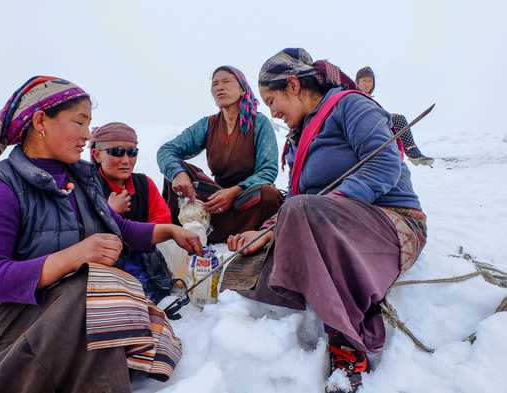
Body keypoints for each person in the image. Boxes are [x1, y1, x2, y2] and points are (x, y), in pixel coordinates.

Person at [0, 76, 202, 393]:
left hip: (77, 306)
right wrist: (75, 256)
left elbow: (119, 229)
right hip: (9, 317)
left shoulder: (80, 180)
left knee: (122, 311)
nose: (87, 135)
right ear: (40, 121)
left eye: (89, 124)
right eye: (79, 122)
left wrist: (169, 230)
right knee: (96, 298)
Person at [226, 49, 427, 392]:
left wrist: (326, 205)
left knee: (302, 211)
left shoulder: (351, 106)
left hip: (390, 222)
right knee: (244, 266)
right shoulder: (298, 139)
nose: (272, 111)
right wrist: (266, 230)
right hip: (325, 219)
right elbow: (294, 201)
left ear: (293, 85)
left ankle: (347, 342)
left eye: (272, 99)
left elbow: (384, 166)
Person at [157, 66, 283, 243]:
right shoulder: (208, 124)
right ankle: (182, 235)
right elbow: (166, 150)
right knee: (176, 172)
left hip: (245, 199)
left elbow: (268, 171)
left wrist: (233, 192)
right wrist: (178, 174)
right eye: (215, 84)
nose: (219, 87)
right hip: (215, 202)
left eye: (226, 81)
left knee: (268, 194)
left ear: (242, 89)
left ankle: (253, 237)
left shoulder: (259, 123)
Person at [91, 122, 173, 303]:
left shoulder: (144, 184)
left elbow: (163, 221)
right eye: (117, 152)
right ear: (97, 155)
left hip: (144, 259)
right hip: (102, 264)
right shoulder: (87, 187)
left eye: (132, 152)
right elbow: (80, 233)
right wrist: (109, 212)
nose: (126, 160)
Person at [356, 66, 434, 166]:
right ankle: (411, 151)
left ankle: (410, 150)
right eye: (364, 81)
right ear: (357, 82)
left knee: (396, 119)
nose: (367, 84)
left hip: (374, 123)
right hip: (364, 124)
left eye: (369, 81)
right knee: (398, 119)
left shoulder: (370, 99)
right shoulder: (355, 96)